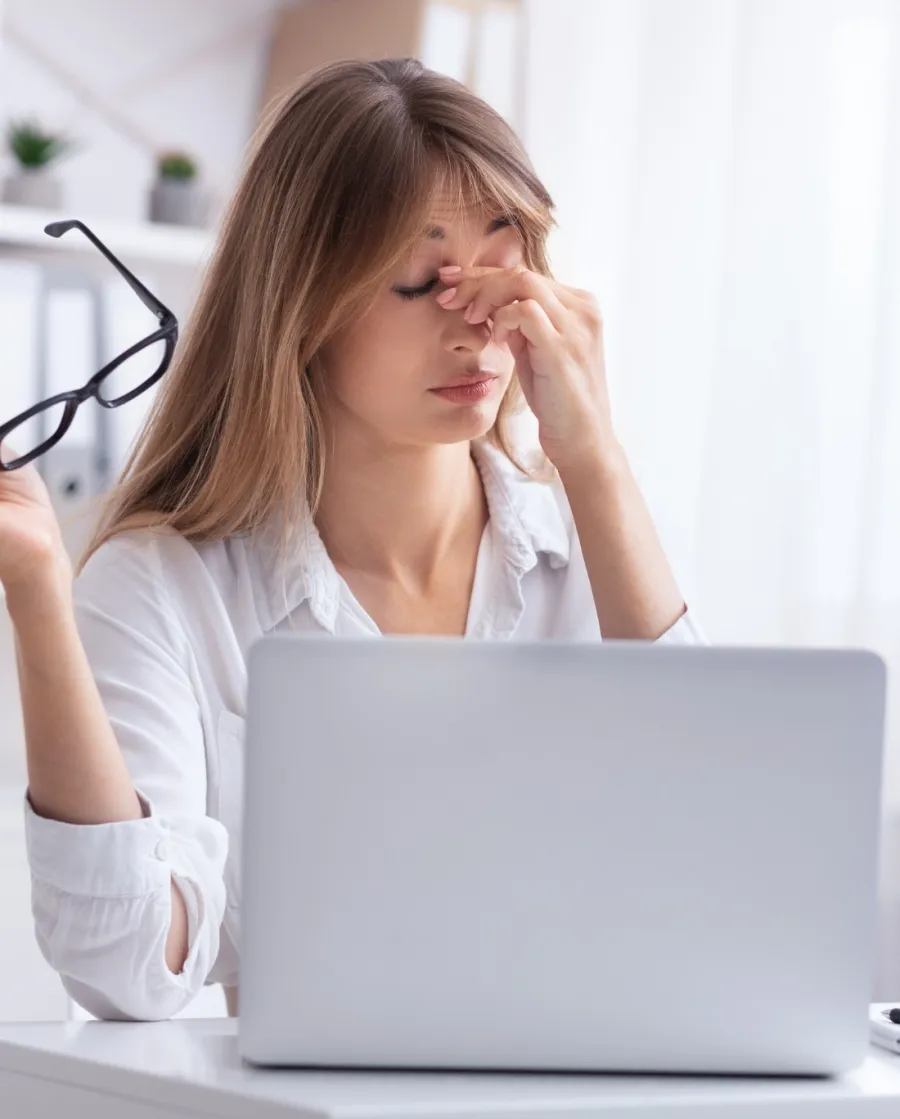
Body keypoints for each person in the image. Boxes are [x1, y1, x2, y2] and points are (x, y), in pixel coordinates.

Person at [0, 58, 703, 1023]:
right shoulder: (163, 587)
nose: (480, 323)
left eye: (505, 264)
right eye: (421, 282)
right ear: (300, 305)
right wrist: (37, 585)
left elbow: (709, 843)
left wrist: (598, 461)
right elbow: (129, 970)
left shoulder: (589, 547)